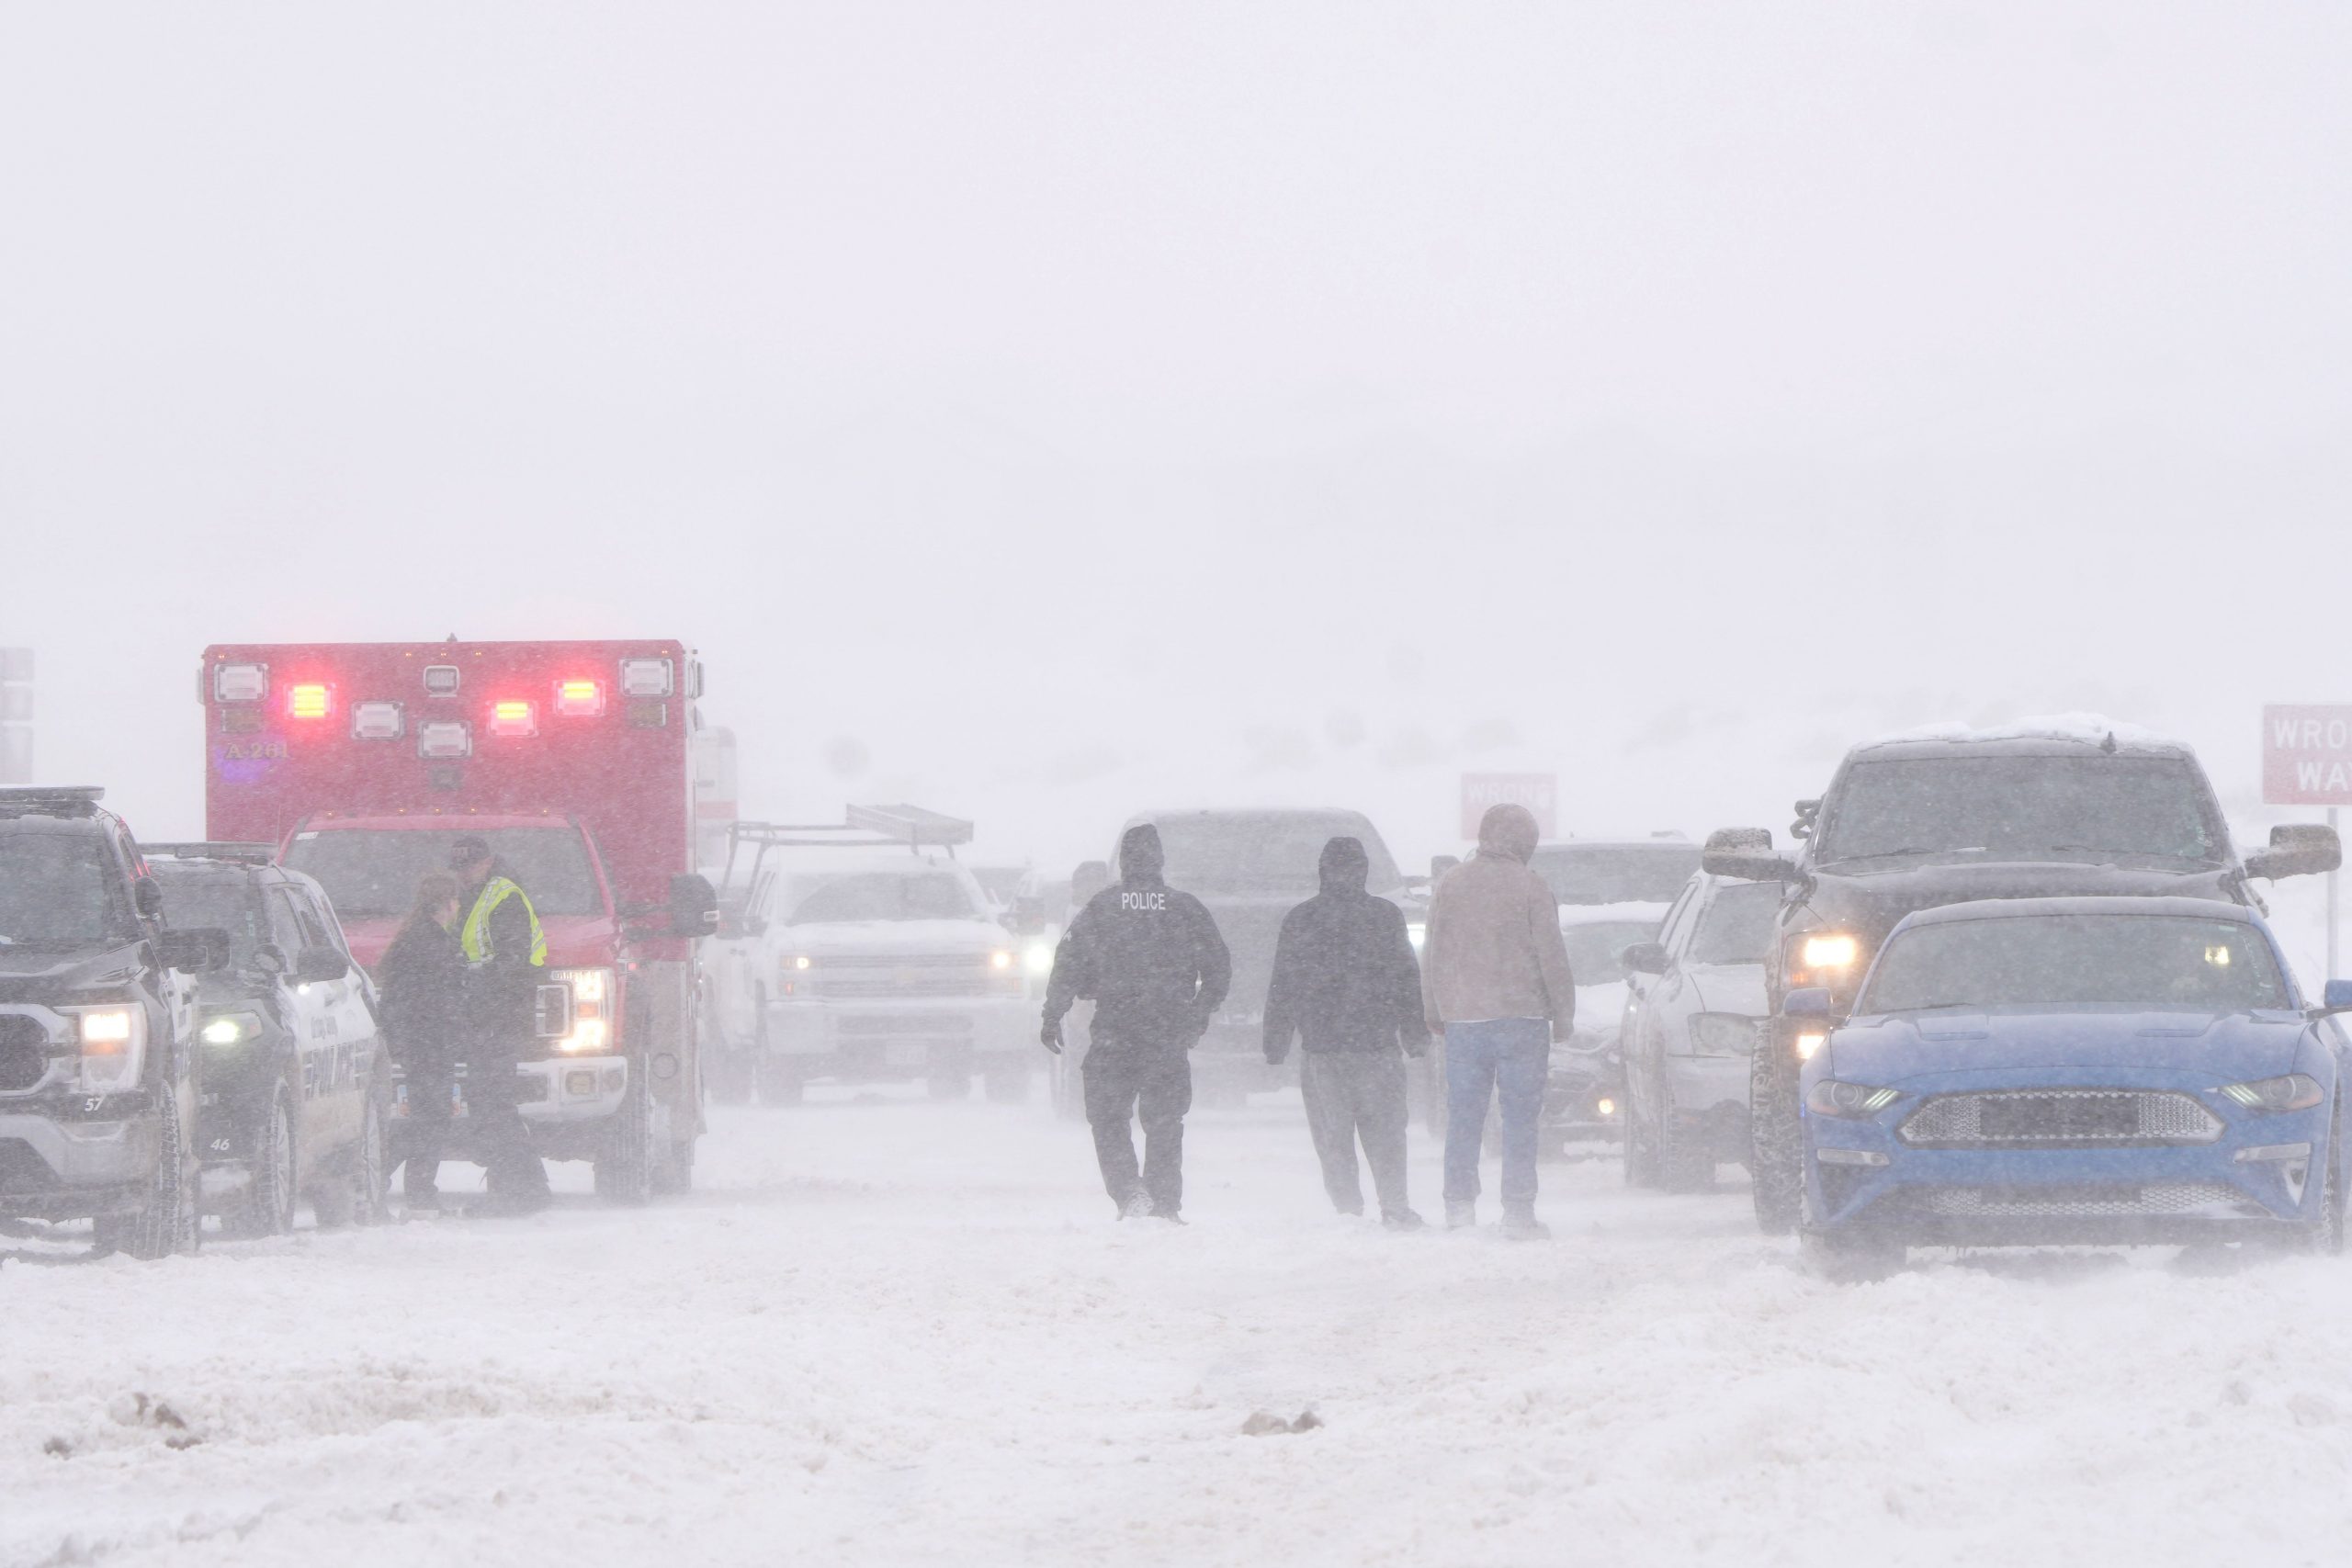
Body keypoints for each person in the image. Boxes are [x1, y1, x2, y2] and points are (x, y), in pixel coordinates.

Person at [1042, 824, 1230, 1221]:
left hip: (1115, 1032)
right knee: (1165, 1121)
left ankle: (1130, 1195)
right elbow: (1219, 969)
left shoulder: (1102, 907)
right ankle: (1164, 1202)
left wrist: (1053, 1012)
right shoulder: (1184, 907)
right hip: (1167, 1032)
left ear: (1123, 863)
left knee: (1108, 1118)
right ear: (1160, 860)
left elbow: (1068, 962)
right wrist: (1197, 1014)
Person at [1420, 803, 1576, 1239]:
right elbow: (1552, 957)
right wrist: (1562, 1013)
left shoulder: (1450, 885)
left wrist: (1434, 1010)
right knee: (1521, 1118)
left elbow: (1433, 953)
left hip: (1465, 1020)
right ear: (1523, 843)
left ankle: (1459, 1205)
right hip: (1522, 1019)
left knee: (1464, 1115)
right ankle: (1518, 1210)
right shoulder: (1531, 887)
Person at [1262, 837, 1428, 1230]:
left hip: (1323, 1048)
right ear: (1364, 871)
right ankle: (1394, 1205)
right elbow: (1406, 978)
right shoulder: (1385, 916)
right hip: (1377, 1046)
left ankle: (1348, 1211)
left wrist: (1276, 1038)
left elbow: (1283, 985)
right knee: (1386, 1131)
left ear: (1322, 871)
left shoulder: (1301, 919)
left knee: (1332, 1136)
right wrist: (1414, 1031)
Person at [451, 835, 552, 1214]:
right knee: (492, 1106)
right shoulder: (477, 894)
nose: (464, 874)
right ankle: (520, 1185)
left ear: (487, 862)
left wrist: (475, 979)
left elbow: (513, 962)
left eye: (470, 866)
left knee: (494, 1107)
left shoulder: (503, 897)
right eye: (459, 868)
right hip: (487, 1018)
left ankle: (517, 1187)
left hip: (499, 1017)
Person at [378, 870, 468, 1212]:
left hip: (417, 1042)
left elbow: (399, 997)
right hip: (431, 1042)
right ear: (447, 904)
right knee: (432, 1117)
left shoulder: (411, 939)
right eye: (456, 900)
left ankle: (391, 1176)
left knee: (425, 1115)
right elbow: (439, 999)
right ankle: (409, 1184)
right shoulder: (435, 946)